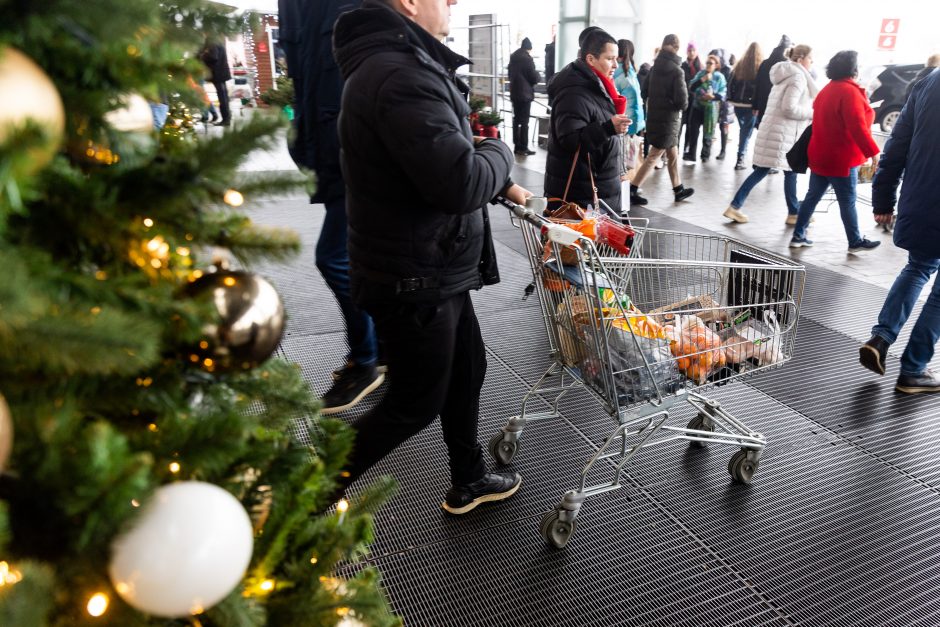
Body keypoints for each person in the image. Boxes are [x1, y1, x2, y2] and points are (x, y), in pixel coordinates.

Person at [333, 0, 532, 514]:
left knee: (468, 368)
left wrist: (500, 182)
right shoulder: (399, 74)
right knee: (411, 403)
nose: (453, 4)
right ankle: (298, 497)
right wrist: (500, 151)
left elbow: (427, 160)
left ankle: (468, 478)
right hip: (413, 273)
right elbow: (458, 180)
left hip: (431, 264)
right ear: (409, 4)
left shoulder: (396, 65)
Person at [277, 0, 384, 416]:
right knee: (351, 255)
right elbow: (304, 73)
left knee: (334, 257)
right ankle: (378, 350)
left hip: (351, 148)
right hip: (333, 145)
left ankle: (367, 357)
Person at [860, 71, 940, 393]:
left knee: (919, 266)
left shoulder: (931, 80)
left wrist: (883, 197)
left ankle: (881, 338)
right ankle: (913, 369)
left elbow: (897, 145)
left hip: (921, 198)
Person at [790, 50, 881, 252]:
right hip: (841, 158)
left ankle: (798, 236)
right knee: (847, 200)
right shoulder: (849, 92)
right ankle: (855, 240)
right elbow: (857, 126)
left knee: (812, 196)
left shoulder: (827, 90)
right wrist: (874, 151)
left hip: (820, 155)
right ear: (853, 69)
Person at [722, 45, 817, 224]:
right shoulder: (798, 77)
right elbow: (789, 108)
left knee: (773, 170)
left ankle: (737, 207)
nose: (812, 62)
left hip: (777, 131)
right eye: (811, 58)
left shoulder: (785, 74)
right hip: (782, 133)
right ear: (801, 58)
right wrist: (812, 113)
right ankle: (792, 213)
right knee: (787, 170)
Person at [543, 28, 630, 215]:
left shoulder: (600, 87)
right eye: (609, 58)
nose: (616, 64)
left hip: (600, 188)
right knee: (581, 243)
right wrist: (607, 128)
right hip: (582, 196)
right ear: (591, 59)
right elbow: (570, 140)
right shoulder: (574, 92)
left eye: (616, 59)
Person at [629, 34, 694, 205]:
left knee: (672, 154)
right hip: (669, 120)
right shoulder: (677, 71)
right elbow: (682, 101)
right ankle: (632, 189)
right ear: (676, 47)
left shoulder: (654, 68)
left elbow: (644, 91)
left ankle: (678, 189)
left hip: (655, 117)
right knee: (654, 155)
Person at [685, 54, 727, 162]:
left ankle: (705, 155)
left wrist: (713, 97)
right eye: (707, 62)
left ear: (716, 65)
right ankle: (691, 154)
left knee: (708, 131)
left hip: (711, 109)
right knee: (693, 130)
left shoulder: (719, 77)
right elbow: (691, 87)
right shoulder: (701, 74)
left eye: (711, 63)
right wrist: (702, 79)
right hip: (697, 106)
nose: (708, 65)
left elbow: (723, 92)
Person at [727, 42, 763, 169]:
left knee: (745, 130)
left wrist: (730, 97)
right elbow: (760, 88)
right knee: (746, 131)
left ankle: (742, 153)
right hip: (751, 105)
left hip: (737, 103)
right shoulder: (760, 67)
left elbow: (730, 83)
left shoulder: (740, 65)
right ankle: (740, 158)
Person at [614, 39, 645, 182]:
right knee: (625, 162)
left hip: (626, 123)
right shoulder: (627, 72)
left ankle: (628, 189)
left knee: (625, 160)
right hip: (627, 123)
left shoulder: (623, 71)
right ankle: (626, 191)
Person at [508, 36, 540, 156]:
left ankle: (517, 146)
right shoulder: (527, 59)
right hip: (525, 95)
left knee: (516, 119)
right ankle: (524, 147)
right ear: (529, 48)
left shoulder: (513, 58)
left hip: (515, 93)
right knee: (524, 121)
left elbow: (510, 74)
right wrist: (538, 77)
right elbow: (533, 76)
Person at [753, 35, 790, 129]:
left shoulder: (765, 63)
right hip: (778, 106)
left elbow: (757, 84)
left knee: (762, 132)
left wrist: (755, 105)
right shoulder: (788, 66)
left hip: (763, 103)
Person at [707, 48, 734, 161]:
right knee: (711, 126)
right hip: (713, 102)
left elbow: (729, 87)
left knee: (724, 126)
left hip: (725, 103)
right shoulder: (711, 70)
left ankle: (723, 151)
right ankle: (707, 151)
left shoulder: (728, 70)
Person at [198, 38, 232, 127]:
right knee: (224, 96)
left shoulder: (212, 42)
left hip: (218, 73)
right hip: (221, 72)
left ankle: (226, 119)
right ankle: (227, 118)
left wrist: (202, 56)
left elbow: (213, 56)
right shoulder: (218, 40)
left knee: (222, 97)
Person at [679, 42, 703, 160]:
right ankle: (675, 150)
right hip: (683, 99)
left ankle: (686, 150)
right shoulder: (683, 65)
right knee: (679, 126)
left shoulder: (701, 67)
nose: (692, 53)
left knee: (691, 127)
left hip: (695, 102)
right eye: (689, 50)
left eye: (693, 50)